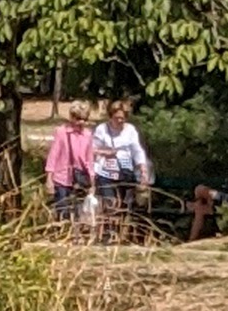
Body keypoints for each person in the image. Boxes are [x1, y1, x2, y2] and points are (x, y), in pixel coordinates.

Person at [90, 95, 152, 238]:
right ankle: (107, 232)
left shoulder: (130, 130)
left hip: (124, 170)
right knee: (110, 202)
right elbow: (92, 149)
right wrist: (105, 152)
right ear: (111, 116)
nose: (119, 121)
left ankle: (119, 233)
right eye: (116, 117)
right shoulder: (101, 129)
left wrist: (142, 168)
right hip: (106, 170)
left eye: (122, 118)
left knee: (123, 203)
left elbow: (137, 150)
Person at [43, 107, 94, 224]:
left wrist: (92, 180)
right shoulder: (61, 132)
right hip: (62, 177)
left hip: (80, 177)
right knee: (62, 209)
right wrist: (49, 178)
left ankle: (75, 235)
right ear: (72, 117)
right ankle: (62, 233)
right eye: (79, 119)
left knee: (79, 210)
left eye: (84, 119)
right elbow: (53, 155)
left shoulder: (87, 135)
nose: (82, 122)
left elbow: (89, 158)